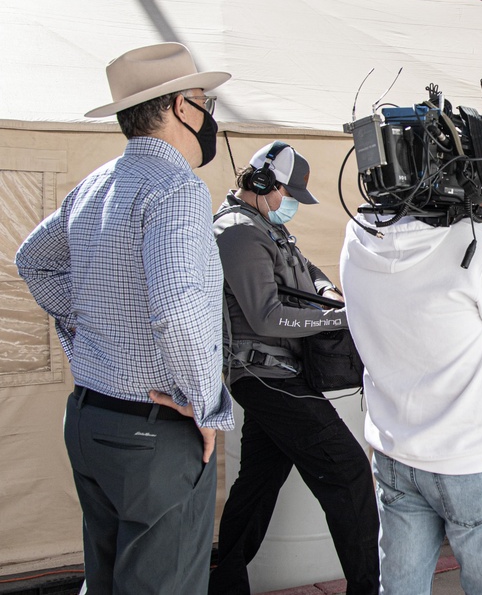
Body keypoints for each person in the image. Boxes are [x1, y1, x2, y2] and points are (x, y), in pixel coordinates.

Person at [15, 42, 234, 593]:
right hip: (155, 433)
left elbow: (32, 261)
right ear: (182, 106)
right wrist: (207, 407)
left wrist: (89, 325)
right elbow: (181, 312)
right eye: (205, 100)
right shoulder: (177, 187)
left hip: (91, 418)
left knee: (107, 580)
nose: (210, 114)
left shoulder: (96, 184)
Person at [340, 196, 482, 595]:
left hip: (396, 452)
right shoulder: (471, 242)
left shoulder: (358, 237)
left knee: (400, 588)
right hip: (473, 457)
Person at [209, 141, 379, 595]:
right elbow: (265, 316)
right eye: (288, 194)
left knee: (259, 484)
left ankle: (225, 586)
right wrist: (340, 317)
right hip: (269, 378)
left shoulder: (265, 226)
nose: (292, 206)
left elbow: (309, 272)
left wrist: (330, 292)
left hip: (279, 377)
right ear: (263, 183)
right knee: (349, 473)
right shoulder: (238, 232)